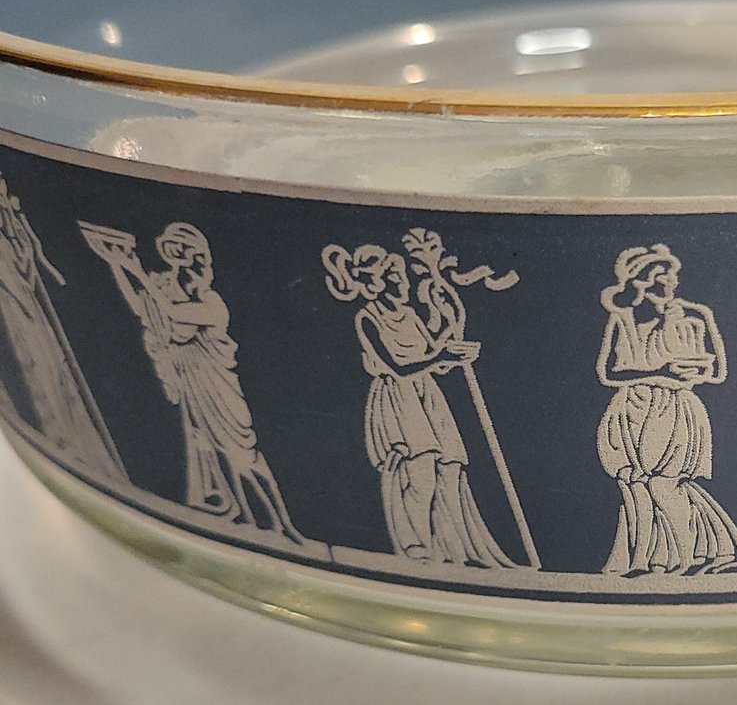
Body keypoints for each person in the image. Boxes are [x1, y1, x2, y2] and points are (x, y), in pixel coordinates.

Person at [87, 219, 299, 535]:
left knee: (246, 455)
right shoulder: (167, 292)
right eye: (175, 260)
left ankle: (284, 524)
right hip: (191, 382)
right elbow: (142, 308)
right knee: (214, 451)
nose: (179, 270)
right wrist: (116, 265)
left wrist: (137, 271)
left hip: (218, 386)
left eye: (186, 259)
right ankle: (248, 519)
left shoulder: (213, 304)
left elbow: (173, 313)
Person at [323, 242, 516, 568]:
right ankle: (416, 546)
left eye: (402, 276)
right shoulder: (368, 318)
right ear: (378, 281)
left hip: (427, 394)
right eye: (395, 277)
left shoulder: (410, 315)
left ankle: (452, 546)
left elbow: (432, 357)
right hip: (398, 397)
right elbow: (398, 367)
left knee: (452, 465)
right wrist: (441, 356)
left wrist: (448, 323)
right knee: (421, 470)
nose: (404, 283)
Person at [596, 243, 737, 575]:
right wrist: (660, 372)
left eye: (672, 276)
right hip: (630, 409)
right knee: (633, 486)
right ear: (642, 279)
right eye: (663, 276)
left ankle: (690, 556)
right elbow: (609, 373)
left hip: (674, 407)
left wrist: (686, 371)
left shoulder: (694, 316)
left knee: (665, 485)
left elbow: (716, 371)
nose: (671, 282)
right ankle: (643, 561)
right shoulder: (622, 318)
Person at [0, 177, 122, 482]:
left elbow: (27, 269)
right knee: (37, 377)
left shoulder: (11, 232)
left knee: (52, 371)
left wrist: (21, 234)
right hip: (17, 329)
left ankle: (77, 446)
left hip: (32, 322)